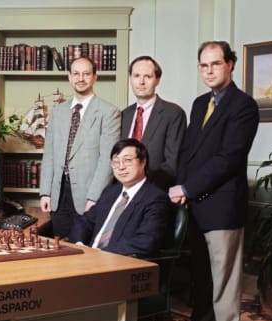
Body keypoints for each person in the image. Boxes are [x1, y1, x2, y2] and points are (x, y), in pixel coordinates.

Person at [169, 41, 259, 321]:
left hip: (222, 207)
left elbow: (228, 159)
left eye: (215, 63)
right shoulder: (199, 104)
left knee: (224, 285)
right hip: (194, 207)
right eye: (204, 65)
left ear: (230, 64)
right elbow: (187, 151)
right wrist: (182, 187)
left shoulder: (243, 105)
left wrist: (186, 187)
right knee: (203, 282)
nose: (209, 71)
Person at [40, 56, 120, 239]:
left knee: (84, 251)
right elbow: (49, 154)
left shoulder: (109, 113)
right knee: (59, 249)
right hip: (58, 195)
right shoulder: (58, 112)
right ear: (69, 77)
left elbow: (107, 159)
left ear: (94, 77)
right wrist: (46, 191)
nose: (80, 78)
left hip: (88, 195)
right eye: (76, 73)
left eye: (86, 74)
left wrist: (94, 197)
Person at [69, 138, 172, 256]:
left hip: (119, 263)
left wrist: (102, 253)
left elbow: (147, 241)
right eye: (115, 162)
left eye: (127, 160)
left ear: (143, 162)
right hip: (88, 258)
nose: (121, 167)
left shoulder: (155, 198)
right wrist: (79, 243)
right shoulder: (110, 192)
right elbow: (84, 222)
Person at [121, 56, 186, 191]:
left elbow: (172, 163)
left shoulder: (173, 113)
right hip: (123, 191)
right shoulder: (123, 115)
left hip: (155, 191)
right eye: (136, 75)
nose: (141, 82)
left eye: (148, 76)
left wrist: (141, 188)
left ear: (157, 80)